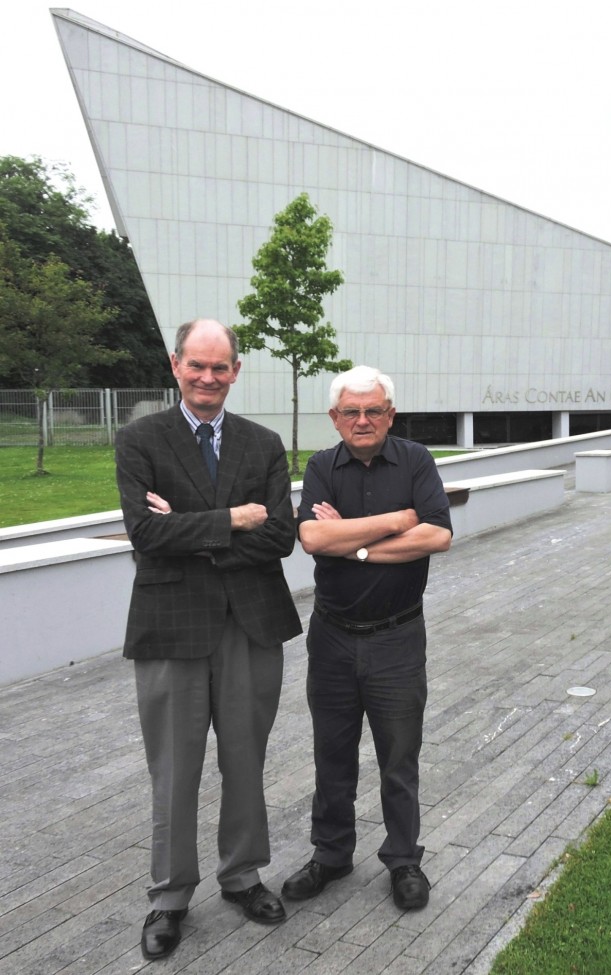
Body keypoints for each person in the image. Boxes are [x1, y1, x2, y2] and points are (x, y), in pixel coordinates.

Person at [115, 319, 302, 961]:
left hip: (251, 625)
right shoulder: (140, 439)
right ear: (176, 365)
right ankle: (169, 896)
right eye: (198, 365)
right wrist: (231, 520)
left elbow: (281, 536)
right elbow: (145, 532)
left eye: (221, 367)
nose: (208, 378)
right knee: (174, 768)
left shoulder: (263, 443)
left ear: (236, 371)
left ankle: (243, 876)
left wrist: (192, 530)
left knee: (245, 759)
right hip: (171, 627)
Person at [282, 365, 452, 911]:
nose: (363, 420)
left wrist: (351, 542)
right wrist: (398, 520)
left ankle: (404, 859)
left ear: (390, 414)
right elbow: (310, 536)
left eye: (373, 410)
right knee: (331, 756)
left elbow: (438, 535)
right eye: (351, 411)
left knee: (399, 758)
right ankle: (331, 855)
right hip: (332, 637)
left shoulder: (416, 460)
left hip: (397, 637)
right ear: (334, 418)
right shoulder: (320, 466)